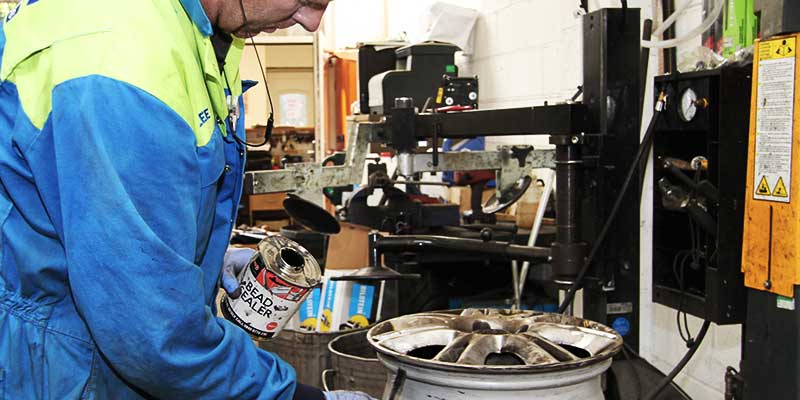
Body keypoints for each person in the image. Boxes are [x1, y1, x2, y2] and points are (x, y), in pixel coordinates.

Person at [0, 0, 373, 399]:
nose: (312, 23)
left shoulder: (187, 27)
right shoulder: (123, 62)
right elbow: (151, 333)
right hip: (60, 369)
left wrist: (194, 252)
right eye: (305, 0)